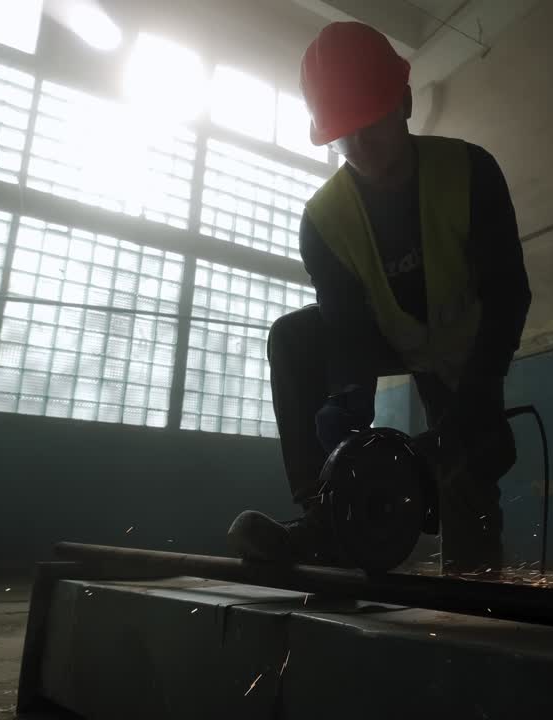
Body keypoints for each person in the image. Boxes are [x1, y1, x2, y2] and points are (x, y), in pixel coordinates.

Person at [227, 21, 531, 575]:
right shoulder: (324, 220)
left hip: (464, 350)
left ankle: (475, 574)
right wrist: (347, 408)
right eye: (345, 133)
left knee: (471, 467)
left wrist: (477, 399)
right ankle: (324, 516)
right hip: (382, 337)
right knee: (292, 338)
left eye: (371, 122)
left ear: (405, 103)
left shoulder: (470, 172)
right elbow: (346, 327)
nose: (361, 144)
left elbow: (508, 293)